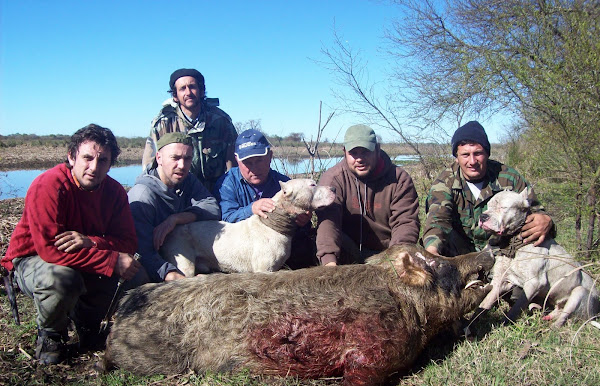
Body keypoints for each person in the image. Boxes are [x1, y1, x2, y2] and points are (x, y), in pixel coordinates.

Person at [1, 124, 141, 364]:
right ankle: (50, 336)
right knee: (63, 278)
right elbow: (49, 250)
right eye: (87, 158)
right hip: (34, 259)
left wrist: (92, 242)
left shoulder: (115, 192)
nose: (94, 167)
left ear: (111, 164)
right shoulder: (48, 185)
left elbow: (128, 242)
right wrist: (110, 259)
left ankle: (88, 322)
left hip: (79, 256)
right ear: (71, 156)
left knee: (138, 275)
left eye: (103, 160)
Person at [422, 120, 554, 256]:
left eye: (478, 153)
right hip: (460, 256)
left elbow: (536, 213)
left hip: (502, 253)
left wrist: (546, 221)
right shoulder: (445, 182)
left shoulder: (509, 178)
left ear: (487, 154)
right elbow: (437, 220)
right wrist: (432, 253)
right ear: (456, 157)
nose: (472, 161)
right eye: (465, 155)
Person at [316, 124, 420, 266]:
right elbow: (329, 222)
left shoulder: (399, 179)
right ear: (344, 152)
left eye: (365, 152)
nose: (359, 159)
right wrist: (329, 263)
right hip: (347, 251)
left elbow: (405, 222)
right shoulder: (333, 179)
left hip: (387, 252)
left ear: (377, 149)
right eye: (354, 153)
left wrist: (399, 257)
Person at [214, 128, 316, 269]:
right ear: (237, 160)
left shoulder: (285, 185)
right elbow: (226, 219)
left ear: (270, 156)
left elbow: (301, 225)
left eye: (259, 160)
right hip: (240, 250)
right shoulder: (226, 183)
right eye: (247, 162)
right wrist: (252, 209)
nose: (254, 168)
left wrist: (303, 222)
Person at [129, 132, 221, 282]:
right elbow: (142, 252)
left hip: (181, 252)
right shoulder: (142, 196)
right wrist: (175, 277)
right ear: (159, 158)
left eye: (187, 158)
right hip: (153, 264)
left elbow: (212, 207)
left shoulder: (186, 180)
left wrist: (176, 219)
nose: (182, 166)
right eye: (175, 158)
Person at [141, 68, 238, 192]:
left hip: (216, 193)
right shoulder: (163, 123)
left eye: (192, 87)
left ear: (202, 91)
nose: (188, 92)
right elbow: (149, 167)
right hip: (177, 195)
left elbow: (234, 166)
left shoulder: (221, 121)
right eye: (182, 89)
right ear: (175, 96)